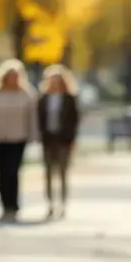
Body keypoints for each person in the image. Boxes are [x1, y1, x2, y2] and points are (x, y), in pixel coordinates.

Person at [0, 59, 38, 223]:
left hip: (18, 138)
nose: (13, 79)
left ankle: (13, 207)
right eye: (10, 76)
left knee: (13, 172)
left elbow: (32, 117)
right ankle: (4, 205)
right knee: (2, 174)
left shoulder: (27, 93)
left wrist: (34, 136)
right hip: (0, 138)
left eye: (15, 76)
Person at [37, 64, 81, 219]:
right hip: (48, 140)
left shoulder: (69, 99)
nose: (55, 83)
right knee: (48, 172)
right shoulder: (43, 99)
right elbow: (39, 120)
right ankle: (50, 203)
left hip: (64, 140)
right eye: (52, 80)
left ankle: (63, 203)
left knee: (62, 172)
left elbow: (75, 120)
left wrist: (73, 139)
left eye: (58, 80)